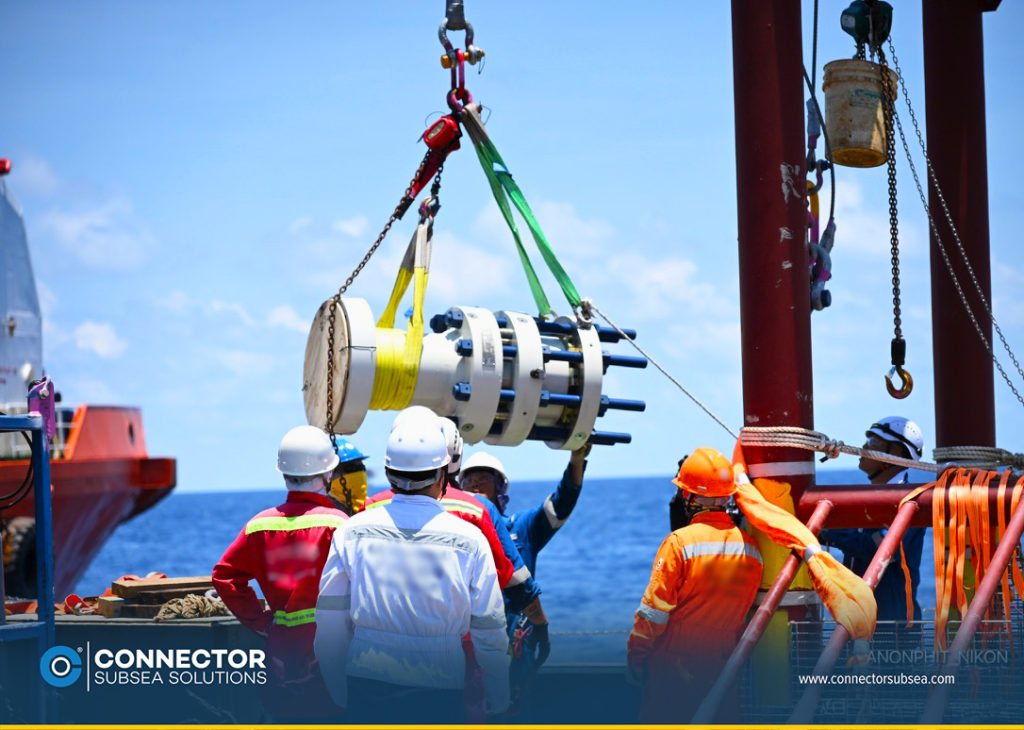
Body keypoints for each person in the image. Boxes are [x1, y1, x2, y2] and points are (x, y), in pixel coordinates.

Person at [314, 416, 510, 723]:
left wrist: (338, 687)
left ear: (389, 472)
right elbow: (489, 628)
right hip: (441, 688)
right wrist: (499, 691)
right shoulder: (470, 540)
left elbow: (329, 619)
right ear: (442, 474)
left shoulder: (350, 533)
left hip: (366, 685)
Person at [361, 409, 546, 720]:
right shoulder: (478, 508)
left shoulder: (371, 507)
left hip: (379, 656)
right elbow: (513, 581)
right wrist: (540, 626)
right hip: (457, 654)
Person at [212, 425, 347, 721]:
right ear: (328, 474)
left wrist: (259, 622)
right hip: (331, 654)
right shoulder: (340, 525)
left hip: (280, 653)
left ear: (284, 474)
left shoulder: (259, 525)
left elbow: (225, 576)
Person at [627, 447, 764, 723]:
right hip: (723, 672)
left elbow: (653, 613)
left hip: (673, 673)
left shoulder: (678, 543)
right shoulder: (753, 550)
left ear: (688, 495)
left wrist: (636, 658)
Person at [459, 444, 588, 712]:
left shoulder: (521, 527)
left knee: (517, 709)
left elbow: (560, 505)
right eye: (468, 480)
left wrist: (577, 460)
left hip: (517, 641)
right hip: (468, 643)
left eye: (483, 478)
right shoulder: (453, 531)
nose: (475, 485)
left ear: (499, 486)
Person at [819, 417, 926, 632]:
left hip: (894, 633)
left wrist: (828, 533)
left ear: (894, 454)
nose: (864, 446)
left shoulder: (911, 502)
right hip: (860, 625)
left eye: (873, 441)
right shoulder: (876, 497)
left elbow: (879, 547)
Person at [326, 436, 369, 515]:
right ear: (329, 474)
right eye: (350, 468)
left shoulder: (374, 508)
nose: (358, 472)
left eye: (361, 468)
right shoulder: (326, 511)